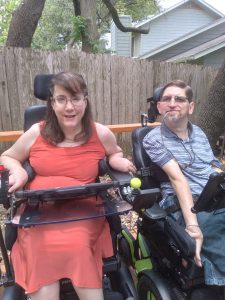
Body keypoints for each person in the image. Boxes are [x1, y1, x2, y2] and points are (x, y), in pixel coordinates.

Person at [1, 71, 136, 300]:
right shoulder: (37, 132)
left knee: (78, 244)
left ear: (85, 100)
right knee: (40, 245)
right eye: (62, 99)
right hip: (39, 211)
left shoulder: (100, 133)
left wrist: (117, 160)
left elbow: (115, 152)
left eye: (75, 98)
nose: (69, 106)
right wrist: (19, 171)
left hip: (83, 210)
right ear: (52, 103)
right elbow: (7, 156)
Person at [143, 80, 225, 295]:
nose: (172, 103)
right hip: (185, 203)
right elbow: (179, 180)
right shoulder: (154, 139)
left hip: (214, 195)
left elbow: (212, 166)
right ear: (159, 107)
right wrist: (193, 226)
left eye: (179, 99)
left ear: (191, 106)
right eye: (167, 99)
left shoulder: (198, 132)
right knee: (214, 228)